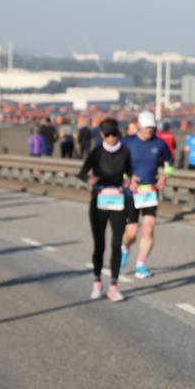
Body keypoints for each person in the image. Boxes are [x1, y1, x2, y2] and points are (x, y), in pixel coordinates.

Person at [79, 118, 133, 302]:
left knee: (116, 244)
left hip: (118, 201)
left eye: (114, 134)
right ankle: (97, 281)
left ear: (119, 134)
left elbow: (129, 172)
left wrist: (129, 180)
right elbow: (82, 173)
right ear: (102, 135)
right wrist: (89, 180)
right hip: (99, 201)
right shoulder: (96, 152)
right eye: (107, 135)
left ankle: (114, 286)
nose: (111, 138)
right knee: (99, 245)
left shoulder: (125, 151)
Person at [121, 110, 173, 278]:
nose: (149, 131)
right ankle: (124, 248)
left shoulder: (159, 143)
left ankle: (141, 265)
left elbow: (169, 162)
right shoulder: (127, 142)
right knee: (131, 233)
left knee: (148, 228)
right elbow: (117, 163)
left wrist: (165, 176)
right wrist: (127, 178)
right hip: (131, 193)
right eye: (146, 128)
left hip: (150, 192)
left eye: (152, 128)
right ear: (138, 126)